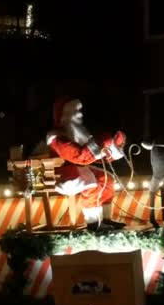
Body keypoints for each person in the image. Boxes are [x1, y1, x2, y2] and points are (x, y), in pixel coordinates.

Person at [46, 96, 127, 231]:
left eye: (79, 112)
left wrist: (113, 147)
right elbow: (79, 157)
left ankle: (105, 218)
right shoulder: (57, 138)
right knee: (91, 183)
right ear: (62, 116)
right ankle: (93, 223)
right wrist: (104, 142)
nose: (79, 115)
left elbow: (93, 156)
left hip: (79, 169)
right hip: (65, 174)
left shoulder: (74, 135)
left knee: (106, 179)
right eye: (74, 112)